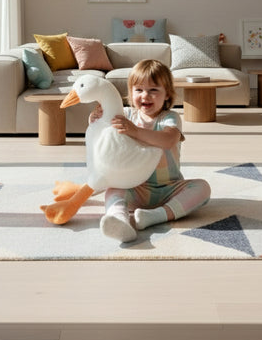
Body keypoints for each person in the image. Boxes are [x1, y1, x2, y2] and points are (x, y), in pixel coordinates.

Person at [89, 59, 211, 243]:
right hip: (135, 187)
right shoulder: (126, 116)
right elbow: (104, 133)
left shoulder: (170, 117)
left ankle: (154, 216)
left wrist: (135, 131)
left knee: (203, 188)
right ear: (130, 93)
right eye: (139, 90)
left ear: (167, 95)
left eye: (153, 90)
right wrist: (96, 118)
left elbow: (168, 140)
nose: (145, 95)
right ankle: (119, 220)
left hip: (169, 188)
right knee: (113, 191)